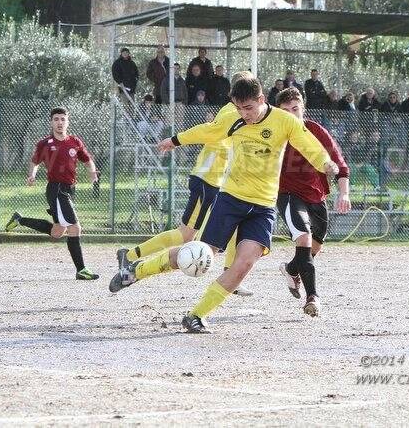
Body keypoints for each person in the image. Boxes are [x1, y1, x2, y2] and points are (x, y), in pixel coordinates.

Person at [152, 77, 340, 333]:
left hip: (267, 205)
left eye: (248, 108)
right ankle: (136, 267)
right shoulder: (236, 119)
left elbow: (311, 146)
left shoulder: (287, 124)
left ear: (261, 100)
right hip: (236, 197)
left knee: (245, 264)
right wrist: (175, 140)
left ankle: (195, 315)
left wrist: (326, 164)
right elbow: (208, 130)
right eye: (238, 108)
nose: (244, 114)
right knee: (202, 250)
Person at [109, 72, 256, 298]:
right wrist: (176, 141)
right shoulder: (231, 113)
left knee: (227, 229)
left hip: (217, 184)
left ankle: (230, 274)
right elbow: (206, 133)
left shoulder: (237, 113)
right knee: (186, 234)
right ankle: (129, 257)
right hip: (208, 180)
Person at [275, 87, 350, 316]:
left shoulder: (316, 130)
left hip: (316, 196)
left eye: (295, 109)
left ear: (303, 108)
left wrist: (344, 193)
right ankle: (312, 298)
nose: (291, 114)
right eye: (285, 111)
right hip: (287, 194)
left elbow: (340, 164)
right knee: (304, 240)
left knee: (314, 246)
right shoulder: (274, 133)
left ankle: (290, 269)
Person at [5, 108, 100, 281]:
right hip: (57, 189)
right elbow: (35, 162)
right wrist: (32, 175)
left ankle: (20, 220)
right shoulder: (45, 143)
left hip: (70, 189)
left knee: (57, 231)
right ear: (51, 122)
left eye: (63, 119)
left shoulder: (74, 142)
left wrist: (92, 172)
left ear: (67, 122)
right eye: (56, 119)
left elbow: (88, 161)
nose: (59, 122)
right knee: (75, 228)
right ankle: (81, 270)